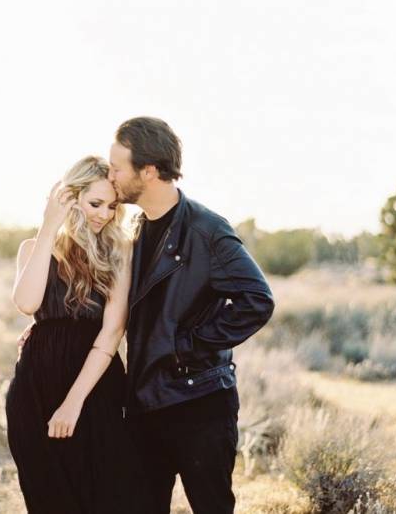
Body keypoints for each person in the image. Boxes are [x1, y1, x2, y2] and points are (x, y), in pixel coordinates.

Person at [108, 117, 275, 514]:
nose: (110, 175)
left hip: (199, 403)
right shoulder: (135, 230)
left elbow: (258, 299)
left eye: (117, 167)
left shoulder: (206, 230)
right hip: (146, 405)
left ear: (148, 171)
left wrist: (186, 346)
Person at [5, 155, 150, 514]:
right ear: (71, 197)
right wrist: (48, 226)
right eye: (95, 203)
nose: (104, 214)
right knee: (48, 496)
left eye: (112, 206)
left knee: (103, 493)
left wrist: (73, 403)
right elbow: (27, 303)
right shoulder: (33, 247)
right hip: (35, 387)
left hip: (94, 387)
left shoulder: (118, 253)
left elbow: (113, 330)